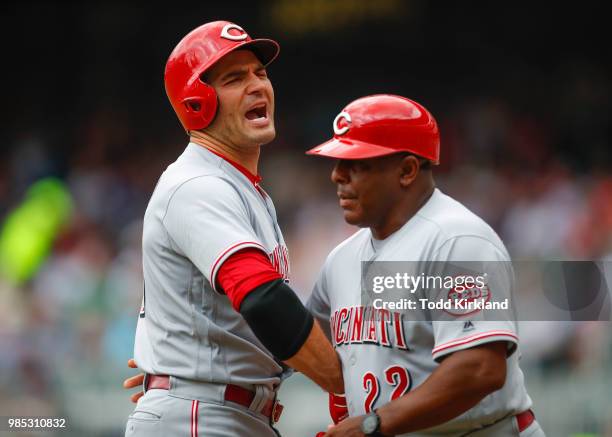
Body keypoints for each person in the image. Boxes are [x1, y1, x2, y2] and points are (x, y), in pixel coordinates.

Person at [124, 21, 343, 437]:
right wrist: (343, 383)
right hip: (204, 417)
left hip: (222, 411)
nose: (257, 85)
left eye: (260, 73)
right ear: (196, 102)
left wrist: (179, 364)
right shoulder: (199, 184)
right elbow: (263, 300)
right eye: (234, 78)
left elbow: (253, 325)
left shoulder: (237, 186)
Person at [306, 94, 545, 436]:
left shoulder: (456, 239)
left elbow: (480, 368)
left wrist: (374, 423)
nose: (336, 176)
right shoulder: (341, 258)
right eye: (338, 162)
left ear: (406, 170)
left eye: (356, 164)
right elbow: (304, 342)